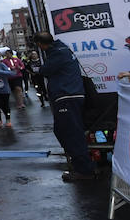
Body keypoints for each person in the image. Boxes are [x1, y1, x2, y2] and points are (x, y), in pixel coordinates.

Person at [32, 31, 97, 183]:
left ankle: (84, 170)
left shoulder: (56, 53)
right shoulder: (62, 49)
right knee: (64, 131)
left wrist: (37, 68)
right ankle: (80, 165)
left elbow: (44, 71)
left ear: (40, 45)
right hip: (71, 95)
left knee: (71, 134)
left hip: (66, 96)